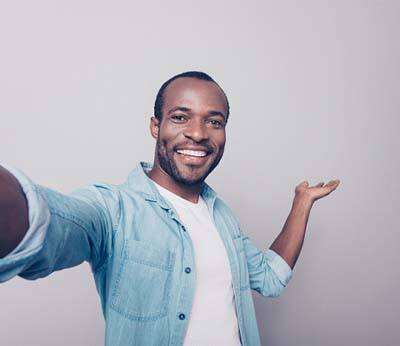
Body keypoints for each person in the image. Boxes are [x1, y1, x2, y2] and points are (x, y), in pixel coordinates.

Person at [0, 71, 340, 346]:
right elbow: (52, 223)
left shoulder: (223, 217)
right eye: (180, 117)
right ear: (155, 126)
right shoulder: (114, 209)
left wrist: (302, 203)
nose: (197, 133)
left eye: (214, 122)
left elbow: (270, 278)